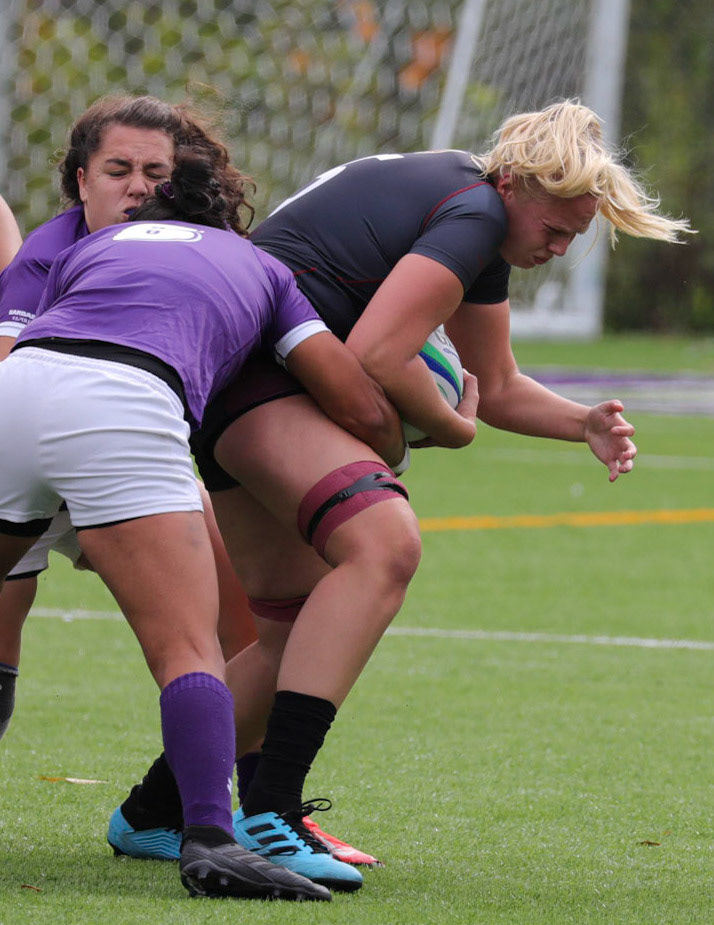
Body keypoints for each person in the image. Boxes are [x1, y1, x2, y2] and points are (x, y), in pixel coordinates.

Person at [111, 99, 692, 875]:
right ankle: (274, 810)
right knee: (386, 542)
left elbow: (498, 382)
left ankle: (155, 808)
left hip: (239, 370)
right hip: (255, 368)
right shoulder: (478, 211)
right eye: (554, 229)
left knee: (285, 628)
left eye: (572, 238)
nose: (557, 249)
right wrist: (449, 428)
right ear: (516, 184)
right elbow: (381, 350)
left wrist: (581, 420)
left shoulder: (475, 211)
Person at [0, 148, 413, 901]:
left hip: (16, 386)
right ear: (229, 217)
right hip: (123, 401)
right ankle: (212, 840)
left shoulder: (91, 244)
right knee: (189, 646)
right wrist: (409, 435)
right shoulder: (259, 266)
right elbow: (350, 395)